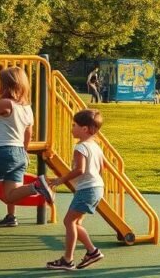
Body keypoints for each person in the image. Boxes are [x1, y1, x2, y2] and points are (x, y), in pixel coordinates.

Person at [0, 68, 53, 230]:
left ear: (5, 86)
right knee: (10, 195)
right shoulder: (27, 108)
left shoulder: (6, 104)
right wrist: (24, 153)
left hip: (5, 150)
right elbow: (29, 133)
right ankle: (36, 187)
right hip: (20, 153)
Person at [44, 109, 107, 271]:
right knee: (75, 223)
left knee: (69, 221)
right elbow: (101, 168)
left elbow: (80, 170)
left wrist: (60, 180)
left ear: (84, 129)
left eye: (74, 125)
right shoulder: (96, 146)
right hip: (96, 187)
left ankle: (68, 260)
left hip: (88, 189)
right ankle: (92, 252)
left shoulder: (81, 147)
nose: (71, 128)